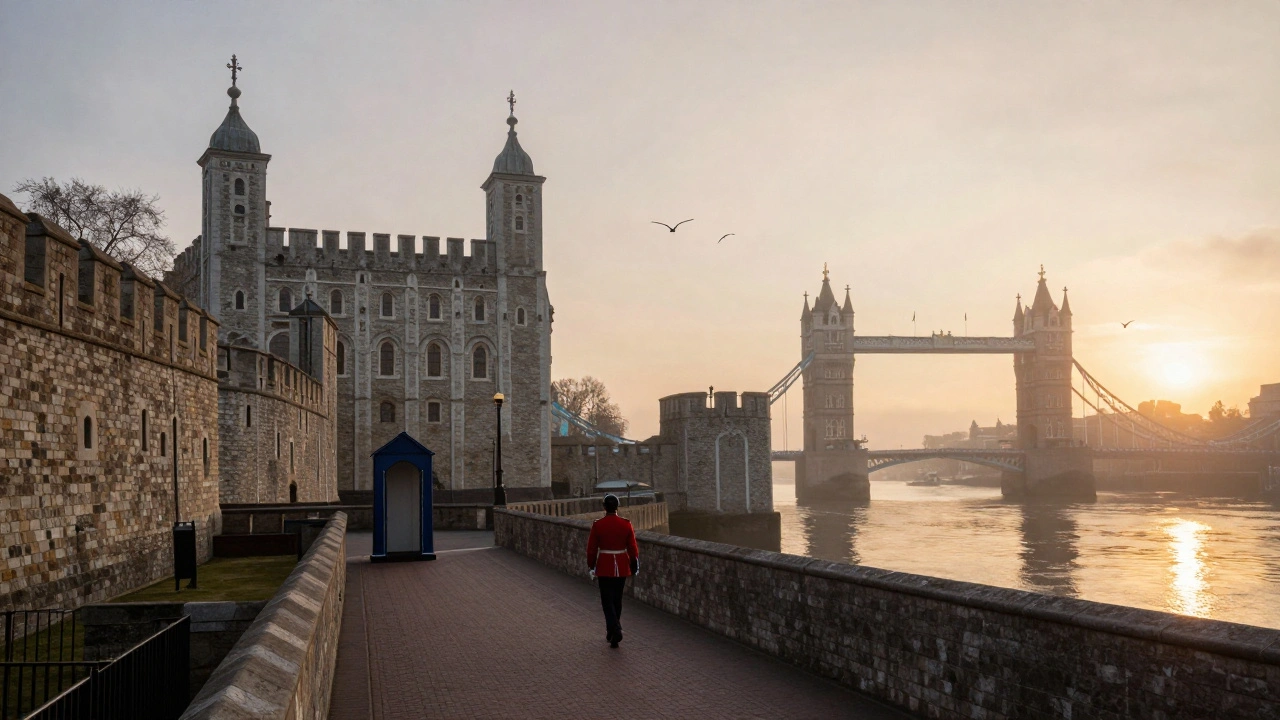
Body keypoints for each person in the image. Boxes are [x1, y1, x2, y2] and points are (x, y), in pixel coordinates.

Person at [586, 494, 639, 648]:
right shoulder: (626, 524)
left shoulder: (598, 525)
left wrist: (591, 565)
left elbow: (591, 550)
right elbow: (633, 548)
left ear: (604, 507)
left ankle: (615, 628)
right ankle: (613, 630)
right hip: (622, 565)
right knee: (617, 599)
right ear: (617, 507)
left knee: (607, 601)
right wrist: (634, 563)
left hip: (604, 565)